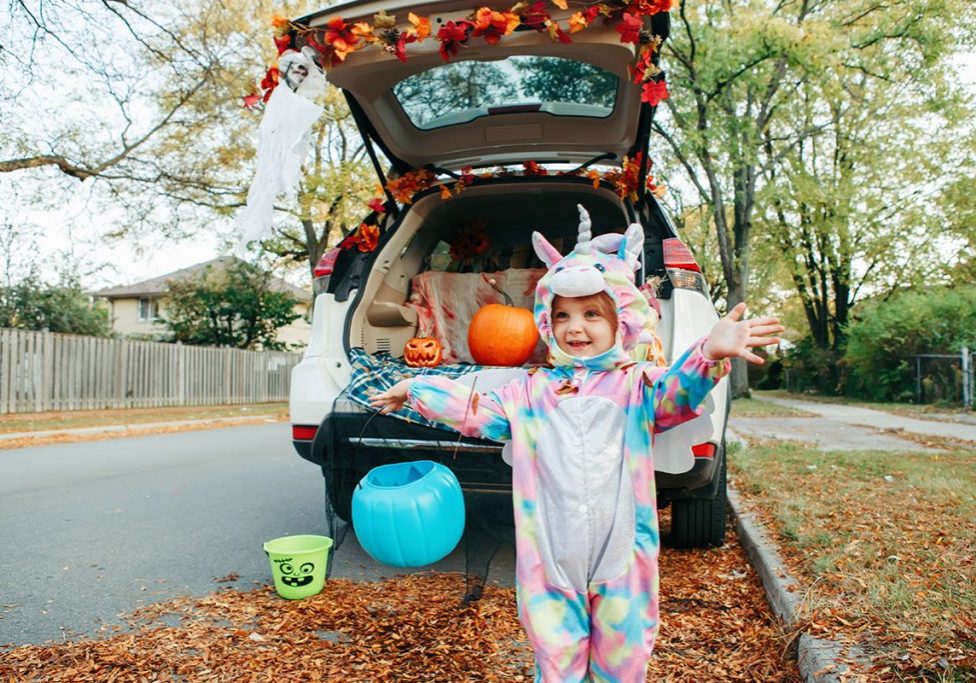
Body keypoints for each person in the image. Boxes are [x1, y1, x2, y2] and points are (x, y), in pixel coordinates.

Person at [370, 205, 783, 682]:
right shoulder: (532, 392)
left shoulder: (637, 385)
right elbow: (479, 411)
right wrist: (419, 390)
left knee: (622, 660)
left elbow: (675, 398)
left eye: (592, 313)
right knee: (556, 660)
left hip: (623, 556)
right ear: (546, 323)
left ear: (621, 322)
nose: (575, 327)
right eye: (562, 315)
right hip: (550, 559)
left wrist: (707, 353)